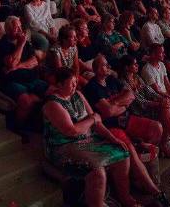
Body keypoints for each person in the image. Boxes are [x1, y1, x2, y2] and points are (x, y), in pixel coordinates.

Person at [82, 56, 170, 206]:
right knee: (129, 149)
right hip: (112, 126)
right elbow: (108, 112)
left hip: (127, 118)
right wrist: (120, 104)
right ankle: (155, 191)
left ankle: (138, 169)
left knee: (156, 127)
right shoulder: (92, 87)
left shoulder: (112, 80)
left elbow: (130, 95)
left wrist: (115, 103)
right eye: (105, 65)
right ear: (97, 69)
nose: (108, 66)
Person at [42, 67, 134, 207]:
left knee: (123, 154)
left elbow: (97, 122)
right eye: (71, 83)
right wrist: (92, 119)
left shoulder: (78, 95)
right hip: (63, 147)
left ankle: (125, 198)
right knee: (97, 170)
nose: (75, 86)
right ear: (60, 85)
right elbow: (71, 131)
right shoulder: (53, 104)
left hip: (87, 141)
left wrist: (112, 138)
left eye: (75, 82)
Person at [0, 16, 48, 129]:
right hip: (10, 81)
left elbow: (35, 61)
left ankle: (37, 124)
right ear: (8, 30)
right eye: (16, 27)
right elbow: (11, 63)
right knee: (27, 101)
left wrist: (18, 66)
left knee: (51, 93)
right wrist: (21, 44)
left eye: (20, 27)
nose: (19, 30)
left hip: (31, 79)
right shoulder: (1, 45)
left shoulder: (27, 44)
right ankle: (19, 127)